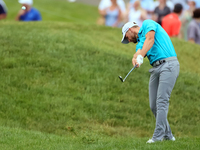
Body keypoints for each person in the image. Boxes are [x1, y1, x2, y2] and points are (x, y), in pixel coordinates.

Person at [121, 20, 179, 143]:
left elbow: (150, 39)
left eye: (127, 37)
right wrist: (136, 57)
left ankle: (157, 137)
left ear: (130, 29)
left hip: (168, 64)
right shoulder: (140, 42)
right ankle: (168, 135)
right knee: (153, 105)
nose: (129, 41)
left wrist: (141, 55)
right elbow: (138, 51)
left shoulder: (148, 24)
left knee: (162, 101)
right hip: (156, 68)